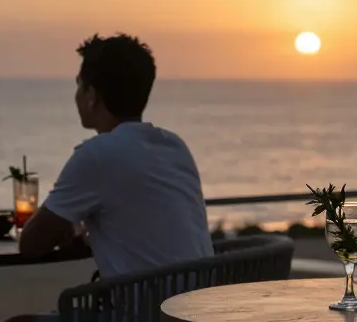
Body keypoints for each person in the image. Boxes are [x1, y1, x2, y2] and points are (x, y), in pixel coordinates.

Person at [19, 33, 213, 279]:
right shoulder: (175, 147)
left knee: (10, 319)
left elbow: (30, 244)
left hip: (141, 314)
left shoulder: (98, 155)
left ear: (92, 97)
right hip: (191, 311)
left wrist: (69, 224)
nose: (76, 95)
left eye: (79, 85)